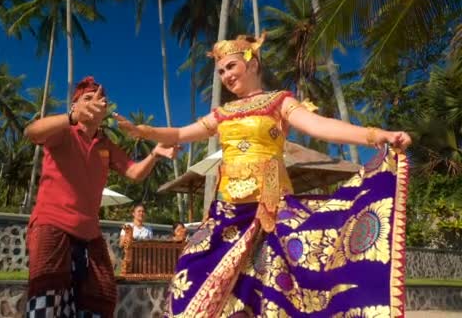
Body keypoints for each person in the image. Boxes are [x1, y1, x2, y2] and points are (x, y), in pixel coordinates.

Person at [116, 34, 412, 317]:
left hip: (270, 210)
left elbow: (319, 126)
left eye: (231, 66)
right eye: (220, 72)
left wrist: (376, 135)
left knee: (270, 288)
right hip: (228, 212)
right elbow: (181, 133)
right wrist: (142, 131)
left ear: (253, 63)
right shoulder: (222, 113)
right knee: (190, 270)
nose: (226, 75)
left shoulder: (279, 101)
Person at [24, 76, 177, 318]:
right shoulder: (64, 132)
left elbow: (134, 172)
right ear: (75, 106)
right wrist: (71, 118)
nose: (96, 102)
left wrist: (155, 154)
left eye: (101, 100)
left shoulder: (105, 144)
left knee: (102, 294)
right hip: (52, 224)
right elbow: (31, 132)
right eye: (88, 98)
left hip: (89, 232)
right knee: (47, 296)